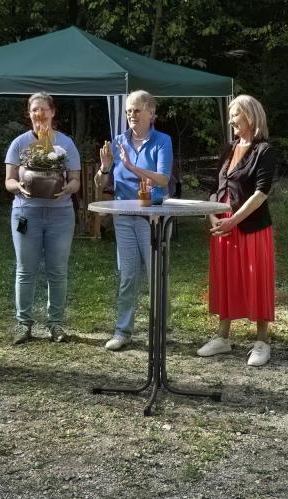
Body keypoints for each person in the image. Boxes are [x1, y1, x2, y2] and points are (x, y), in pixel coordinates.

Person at [196, 95, 276, 367]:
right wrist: (212, 216)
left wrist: (234, 220)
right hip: (222, 225)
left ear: (250, 117)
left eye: (235, 115)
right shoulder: (229, 149)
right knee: (225, 278)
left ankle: (262, 341)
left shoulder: (264, 150)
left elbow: (261, 193)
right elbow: (214, 188)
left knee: (256, 279)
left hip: (250, 225)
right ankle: (222, 337)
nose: (230, 121)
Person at [95, 90, 172, 350]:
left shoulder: (163, 141)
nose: (131, 114)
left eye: (136, 110)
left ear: (151, 113)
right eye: (128, 110)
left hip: (153, 217)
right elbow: (102, 183)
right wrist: (105, 168)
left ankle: (159, 331)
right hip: (123, 216)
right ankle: (122, 331)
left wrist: (131, 167)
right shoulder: (118, 142)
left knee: (155, 275)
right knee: (128, 276)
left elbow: (162, 179)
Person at [4, 92, 81, 344]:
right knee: (25, 270)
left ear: (52, 112)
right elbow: (9, 181)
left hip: (60, 214)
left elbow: (75, 181)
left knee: (57, 270)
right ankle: (23, 324)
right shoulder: (19, 143)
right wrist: (19, 187)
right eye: (34, 110)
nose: (39, 114)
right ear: (29, 114)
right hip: (26, 212)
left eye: (43, 109)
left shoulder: (66, 144)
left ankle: (55, 324)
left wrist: (68, 188)